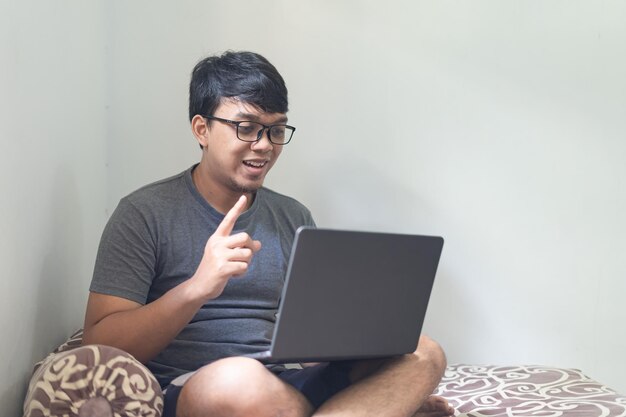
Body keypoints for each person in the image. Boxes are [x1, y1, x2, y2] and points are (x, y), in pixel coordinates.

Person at [82, 50, 454, 417]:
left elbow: (310, 349)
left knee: (424, 351)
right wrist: (198, 286)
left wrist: (355, 346)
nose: (264, 145)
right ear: (202, 129)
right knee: (240, 379)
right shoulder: (143, 213)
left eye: (276, 130)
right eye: (246, 128)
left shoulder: (291, 215)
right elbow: (100, 346)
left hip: (279, 381)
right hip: (200, 385)